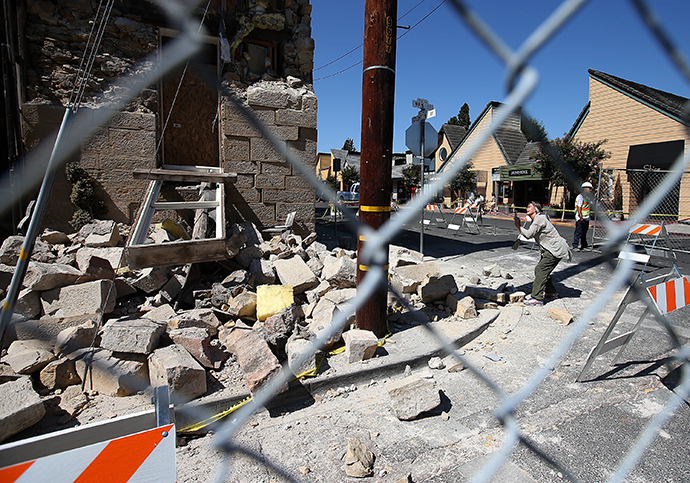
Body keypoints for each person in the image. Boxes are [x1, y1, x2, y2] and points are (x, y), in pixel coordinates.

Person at [513, 201, 572, 306]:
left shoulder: (539, 219)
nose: (527, 208)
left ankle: (537, 297)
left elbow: (528, 234)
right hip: (551, 249)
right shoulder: (537, 219)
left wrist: (519, 226)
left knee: (540, 270)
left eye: (529, 206)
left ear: (536, 210)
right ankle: (551, 292)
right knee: (544, 271)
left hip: (554, 249)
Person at [574, 182, 592, 251]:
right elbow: (579, 207)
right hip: (581, 218)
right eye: (589, 188)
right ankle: (575, 245)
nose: (590, 190)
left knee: (584, 232)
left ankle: (584, 244)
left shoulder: (587, 197)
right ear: (585, 188)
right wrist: (580, 217)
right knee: (578, 232)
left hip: (586, 217)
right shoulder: (580, 197)